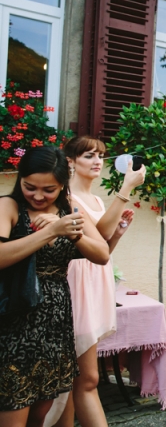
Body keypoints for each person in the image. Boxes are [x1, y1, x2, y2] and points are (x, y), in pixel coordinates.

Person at [0, 147, 110, 427]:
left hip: (55, 324)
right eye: (29, 187)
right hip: (15, 324)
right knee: (13, 410)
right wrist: (50, 231)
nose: (38, 196)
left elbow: (102, 254)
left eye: (48, 189)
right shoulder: (8, 206)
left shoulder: (68, 207)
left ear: (62, 185)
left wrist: (72, 234)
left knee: (40, 415)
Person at [44, 137, 145, 427]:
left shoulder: (97, 200)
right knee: (86, 377)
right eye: (89, 155)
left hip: (95, 280)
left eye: (100, 155)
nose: (98, 161)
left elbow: (101, 250)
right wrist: (126, 188)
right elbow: (95, 237)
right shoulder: (66, 199)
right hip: (76, 284)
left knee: (74, 378)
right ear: (70, 162)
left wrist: (116, 236)